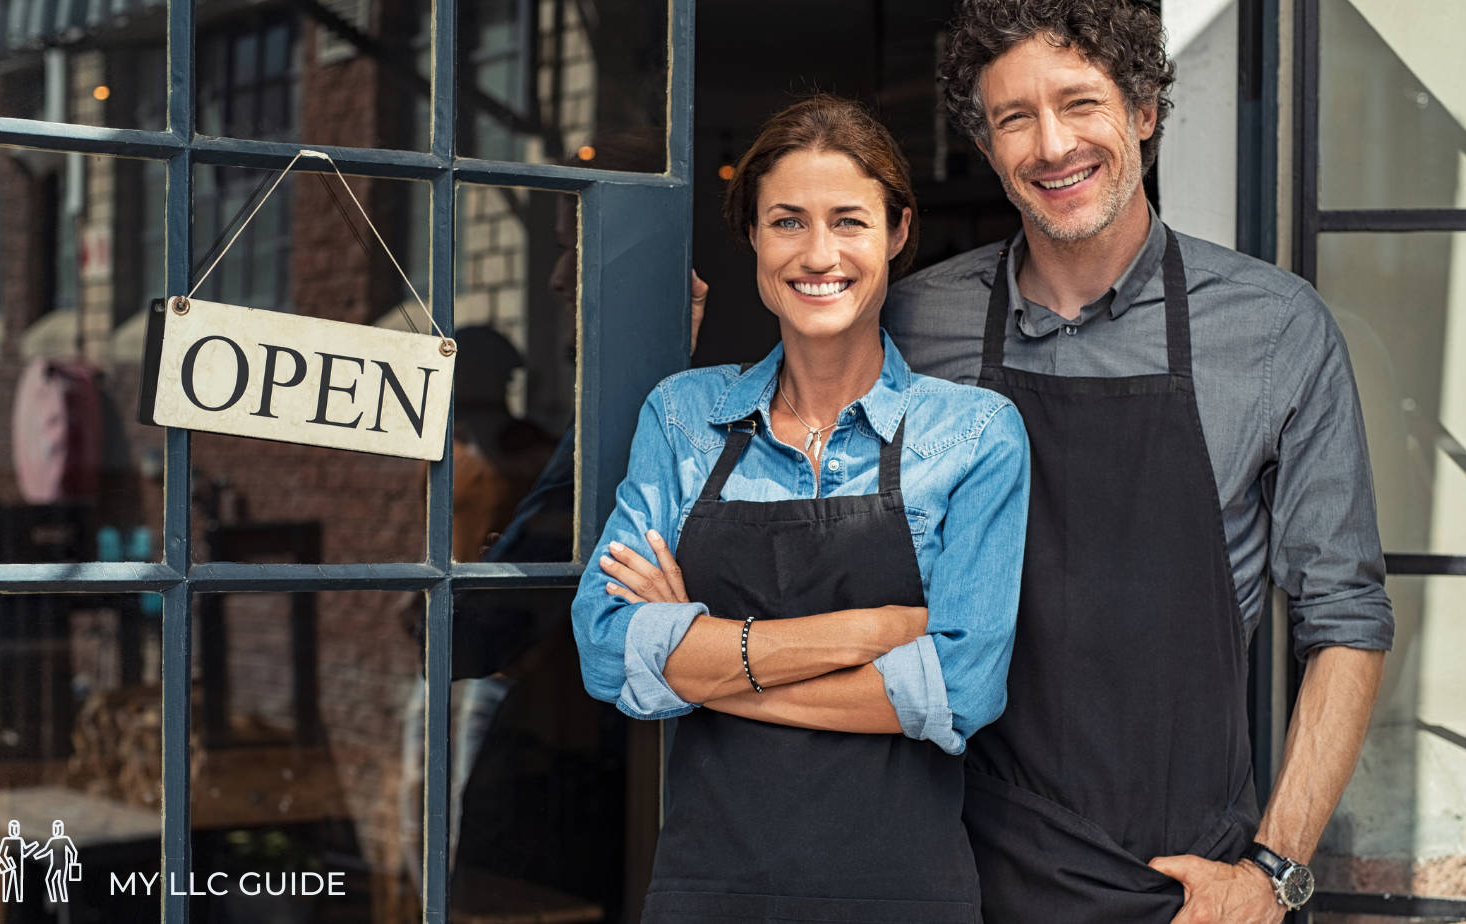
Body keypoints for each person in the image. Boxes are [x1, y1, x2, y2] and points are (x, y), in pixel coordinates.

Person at [880, 2, 1393, 921]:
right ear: (988, 147)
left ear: (1145, 109)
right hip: (953, 867)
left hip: (1183, 886)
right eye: (1014, 118)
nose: (1051, 145)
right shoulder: (916, 326)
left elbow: (1345, 619)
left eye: (1080, 103)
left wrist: (1274, 876)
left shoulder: (1274, 331)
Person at [572, 95, 1030, 924]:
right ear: (752, 235)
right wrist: (872, 632)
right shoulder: (684, 418)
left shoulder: (972, 435)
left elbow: (960, 690)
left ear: (896, 233)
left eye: (849, 221)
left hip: (903, 896)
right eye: (787, 222)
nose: (820, 254)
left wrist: (703, 670)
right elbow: (606, 649)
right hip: (708, 890)